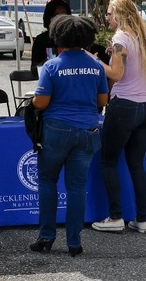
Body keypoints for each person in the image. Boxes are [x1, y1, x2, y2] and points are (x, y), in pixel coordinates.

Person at [29, 15, 109, 257]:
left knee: (47, 180)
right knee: (77, 187)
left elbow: (41, 103)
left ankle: (46, 236)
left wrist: (34, 100)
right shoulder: (96, 66)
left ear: (59, 36)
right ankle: (74, 242)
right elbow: (102, 100)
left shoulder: (52, 65)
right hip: (87, 130)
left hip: (57, 130)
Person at [91, 0, 146, 234]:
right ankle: (142, 219)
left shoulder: (121, 37)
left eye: (109, 13)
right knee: (137, 163)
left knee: (108, 161)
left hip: (125, 105)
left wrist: (96, 61)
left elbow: (116, 75)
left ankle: (115, 216)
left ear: (119, 14)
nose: (107, 17)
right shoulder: (144, 36)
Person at [30, 0, 72, 72]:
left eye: (64, 15)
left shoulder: (74, 37)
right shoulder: (41, 40)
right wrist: (49, 61)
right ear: (50, 18)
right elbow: (34, 69)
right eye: (57, 15)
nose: (61, 18)